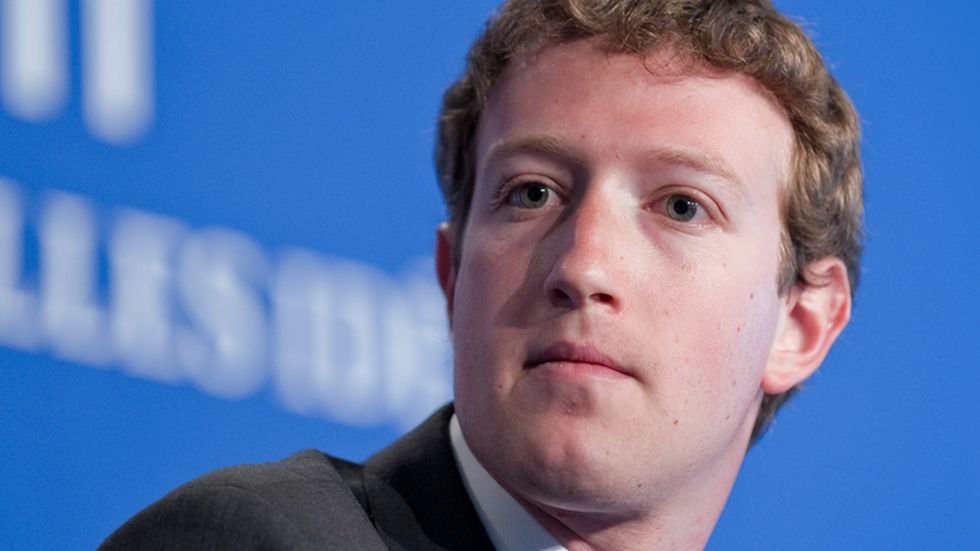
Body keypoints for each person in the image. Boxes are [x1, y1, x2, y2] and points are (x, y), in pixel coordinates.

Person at [100, 0, 862, 549]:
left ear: (800, 325)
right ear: (452, 273)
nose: (584, 264)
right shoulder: (253, 538)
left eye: (682, 206)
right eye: (532, 193)